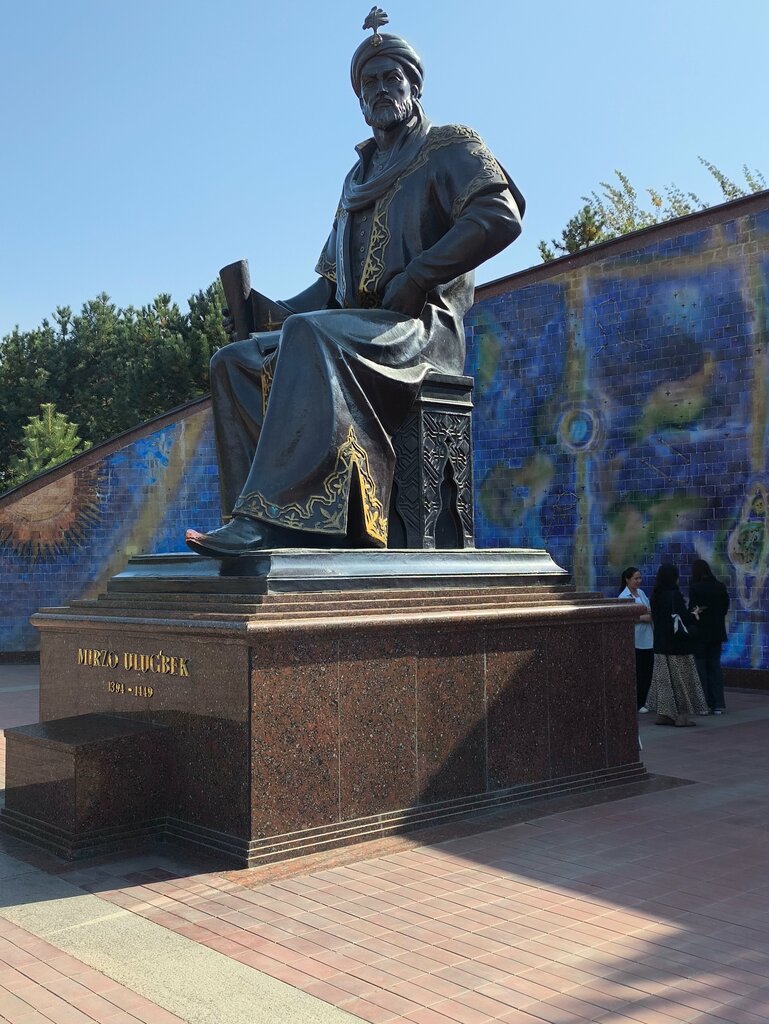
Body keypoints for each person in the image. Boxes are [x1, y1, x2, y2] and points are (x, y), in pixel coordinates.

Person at [185, 14, 524, 558]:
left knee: (309, 337)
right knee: (235, 360)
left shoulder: (449, 144)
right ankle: (263, 519)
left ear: (414, 86)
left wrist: (419, 275)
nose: (381, 90)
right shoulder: (354, 181)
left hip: (419, 328)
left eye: (392, 78)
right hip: (357, 329)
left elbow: (500, 214)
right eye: (369, 84)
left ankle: (275, 521)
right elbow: (327, 291)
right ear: (359, 100)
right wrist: (260, 310)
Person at [646, 563, 708, 727]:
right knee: (682, 682)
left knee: (664, 682)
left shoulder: (655, 596)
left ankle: (664, 714)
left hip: (660, 645)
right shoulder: (674, 595)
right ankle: (682, 717)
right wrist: (694, 615)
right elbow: (682, 619)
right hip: (677, 646)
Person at [689, 558, 730, 714]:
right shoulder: (720, 586)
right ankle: (718, 703)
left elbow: (693, 610)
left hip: (700, 633)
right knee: (715, 667)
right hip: (717, 632)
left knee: (701, 667)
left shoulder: (696, 588)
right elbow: (725, 606)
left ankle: (703, 703)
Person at [618, 567, 653, 711]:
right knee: (638, 672)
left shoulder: (642, 593)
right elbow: (629, 617)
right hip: (635, 638)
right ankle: (638, 702)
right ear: (627, 579)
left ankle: (645, 700)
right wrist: (643, 617)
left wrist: (643, 616)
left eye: (640, 578)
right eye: (635, 578)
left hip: (648, 638)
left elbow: (650, 611)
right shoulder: (623, 597)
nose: (639, 581)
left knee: (647, 672)